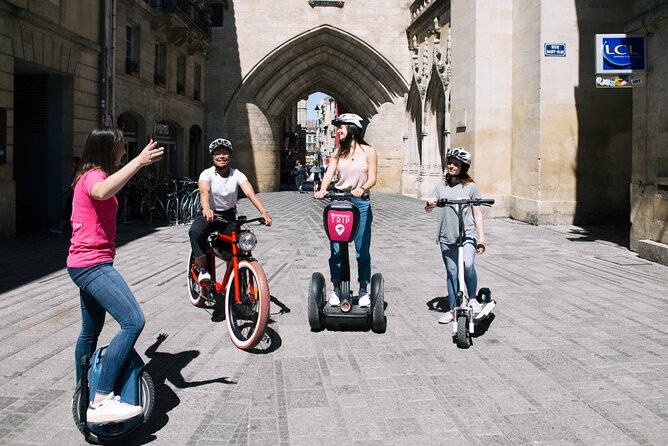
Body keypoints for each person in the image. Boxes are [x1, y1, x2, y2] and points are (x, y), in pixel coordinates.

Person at [67, 126, 164, 423]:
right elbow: (102, 191)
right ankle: (101, 398)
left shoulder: (92, 173)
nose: (124, 150)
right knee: (133, 320)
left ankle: (83, 388)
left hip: (87, 262)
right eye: (122, 146)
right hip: (92, 264)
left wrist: (157, 346)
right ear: (109, 148)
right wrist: (139, 162)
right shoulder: (94, 176)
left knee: (90, 330)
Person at [314, 113, 377, 307]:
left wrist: (362, 188)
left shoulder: (368, 151)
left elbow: (373, 178)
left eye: (341, 127)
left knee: (362, 250)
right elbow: (329, 174)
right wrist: (323, 190)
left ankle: (364, 289)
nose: (338, 130)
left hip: (360, 202)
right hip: (340, 201)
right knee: (336, 250)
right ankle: (337, 289)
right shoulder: (337, 152)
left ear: (352, 128)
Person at [189, 138, 273, 283]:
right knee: (195, 231)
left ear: (230, 156)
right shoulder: (206, 174)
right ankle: (203, 270)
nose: (221, 156)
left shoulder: (237, 174)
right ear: (213, 157)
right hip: (209, 214)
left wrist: (263, 211)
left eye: (225, 153)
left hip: (228, 216)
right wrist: (207, 208)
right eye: (218, 153)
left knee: (235, 248)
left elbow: (250, 193)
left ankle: (235, 283)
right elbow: (204, 192)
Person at [424, 147, 487, 324]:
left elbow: (477, 214)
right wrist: (429, 204)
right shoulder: (440, 186)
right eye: (450, 163)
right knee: (452, 272)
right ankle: (453, 309)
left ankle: (472, 298)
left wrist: (481, 239)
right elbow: (429, 209)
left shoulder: (471, 187)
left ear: (463, 167)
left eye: (456, 164)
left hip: (467, 235)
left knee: (468, 265)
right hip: (446, 236)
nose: (451, 166)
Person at [50, 156, 81, 234]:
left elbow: (75, 182)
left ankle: (60, 228)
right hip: (74, 193)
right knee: (70, 211)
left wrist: (71, 187)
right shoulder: (78, 171)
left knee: (67, 211)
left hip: (73, 194)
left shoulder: (78, 171)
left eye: (73, 162)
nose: (71, 164)